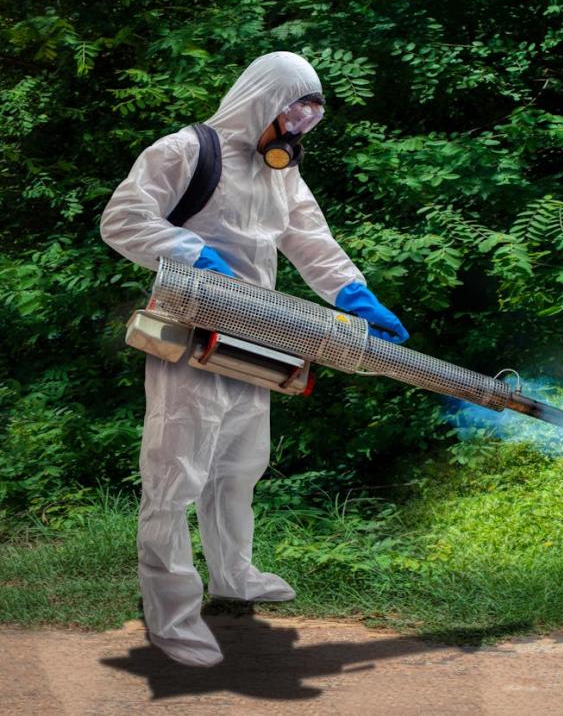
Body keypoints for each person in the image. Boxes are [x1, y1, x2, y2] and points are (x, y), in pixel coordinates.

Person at [100, 51, 408, 667]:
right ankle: (173, 616)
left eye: (307, 122)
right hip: (188, 328)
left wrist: (355, 295)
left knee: (240, 463)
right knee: (175, 473)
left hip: (257, 331)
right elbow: (122, 219)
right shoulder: (185, 151)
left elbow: (311, 240)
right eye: (291, 116)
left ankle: (234, 576)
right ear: (263, 99)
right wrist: (190, 253)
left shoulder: (281, 173)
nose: (294, 133)